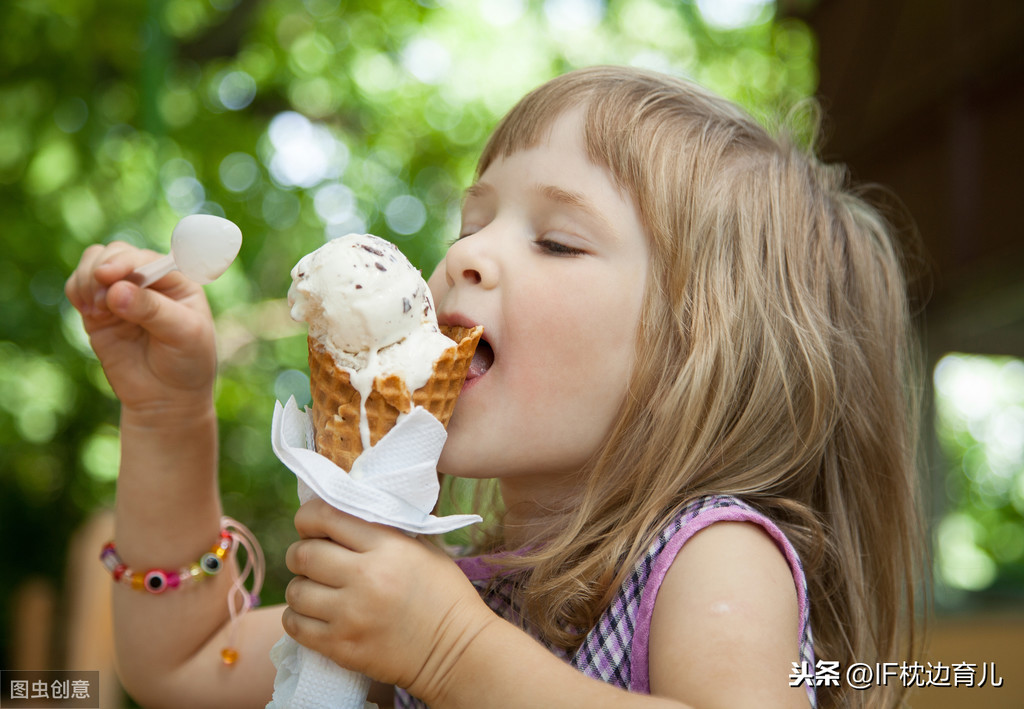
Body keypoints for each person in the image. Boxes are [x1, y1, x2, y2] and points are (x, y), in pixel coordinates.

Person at [65, 66, 925, 709]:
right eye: (473, 222)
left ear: (702, 352)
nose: (461, 255)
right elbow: (183, 663)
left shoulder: (709, 557)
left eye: (555, 240)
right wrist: (167, 414)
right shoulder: (439, 591)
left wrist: (448, 651)